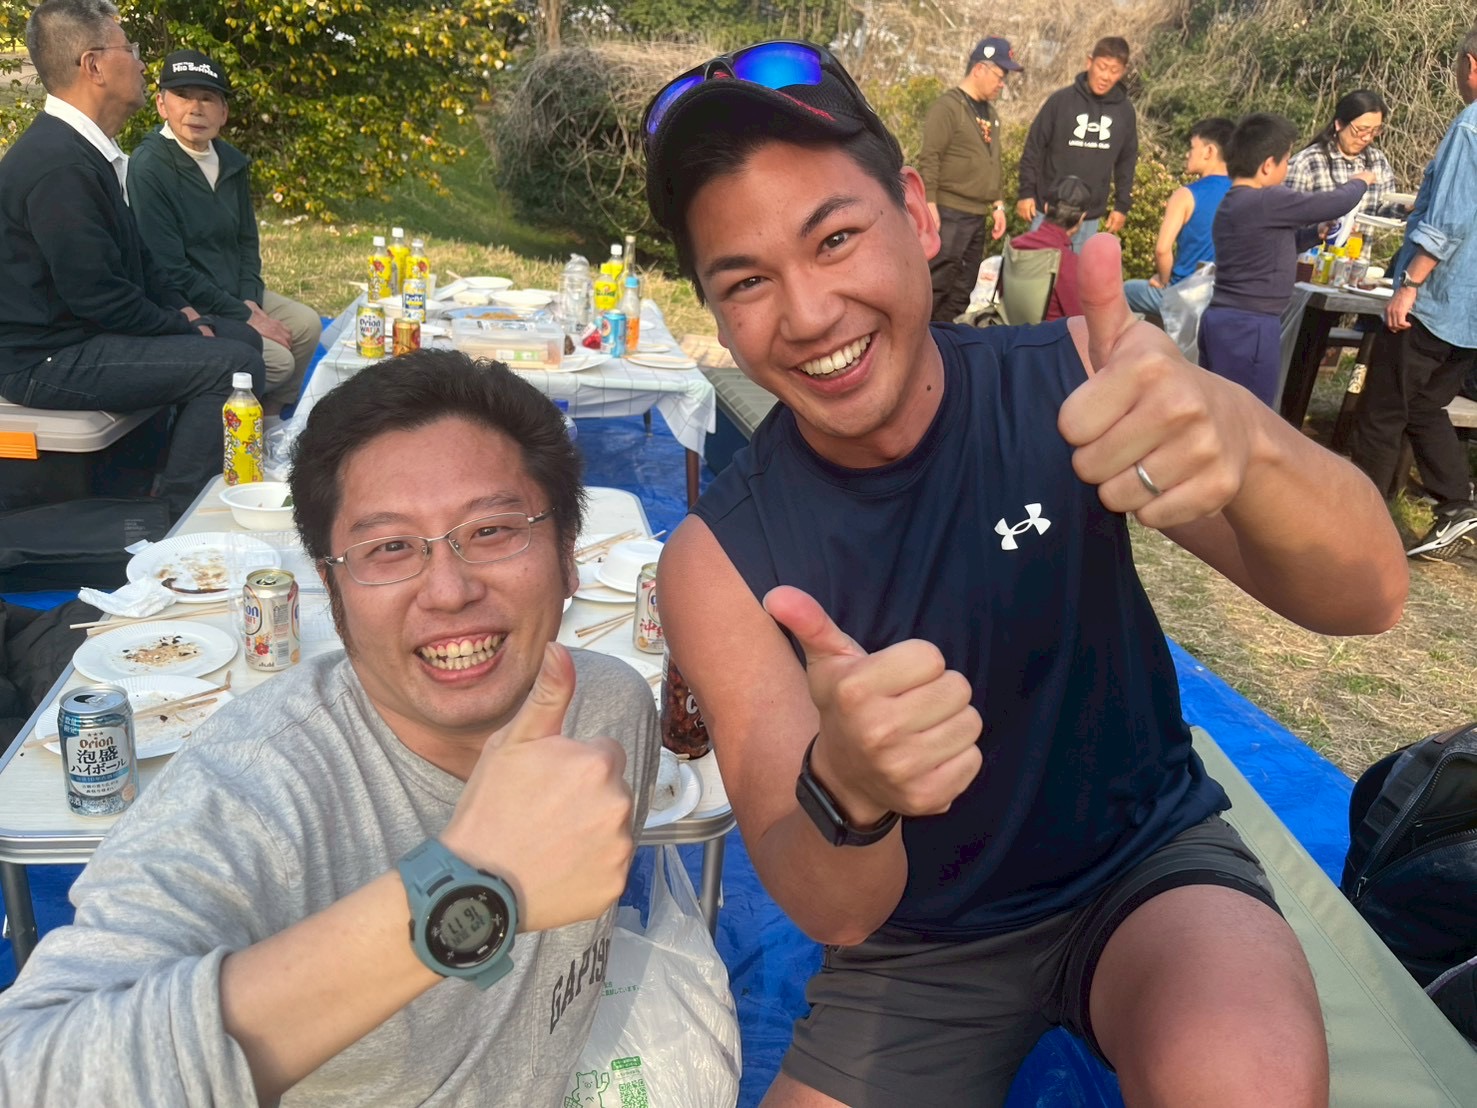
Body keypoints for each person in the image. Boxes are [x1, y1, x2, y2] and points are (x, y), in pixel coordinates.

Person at [642, 39, 1407, 1108]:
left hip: (1145, 868)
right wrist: (850, 790)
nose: (808, 313)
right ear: (718, 316)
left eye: (835, 238)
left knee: (1249, 1079)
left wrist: (1246, 437)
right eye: (747, 281)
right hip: (914, 949)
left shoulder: (1076, 381)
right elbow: (834, 908)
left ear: (917, 215)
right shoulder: (716, 559)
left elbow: (1367, 595)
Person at [0, 349, 660, 1104]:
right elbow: (31, 1071)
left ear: (568, 556)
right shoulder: (254, 794)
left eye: (491, 530)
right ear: (332, 590)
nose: (448, 590)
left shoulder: (609, 712)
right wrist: (469, 886)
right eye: (389, 548)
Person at [0, 0, 265, 518]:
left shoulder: (86, 150)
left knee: (242, 339)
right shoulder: (59, 166)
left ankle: (162, 478)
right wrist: (185, 328)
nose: (143, 65)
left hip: (83, 335)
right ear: (94, 65)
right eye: (131, 50)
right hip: (44, 358)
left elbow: (141, 261)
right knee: (232, 363)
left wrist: (185, 312)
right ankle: (176, 516)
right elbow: (99, 297)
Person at [129, 49, 322, 409]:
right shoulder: (150, 166)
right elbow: (170, 269)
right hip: (188, 304)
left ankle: (271, 419)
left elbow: (247, 242)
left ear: (224, 112)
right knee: (278, 362)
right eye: (182, 95)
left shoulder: (231, 161)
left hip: (236, 293)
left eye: (207, 98)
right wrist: (245, 316)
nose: (195, 108)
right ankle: (232, 423)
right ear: (161, 104)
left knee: (308, 325)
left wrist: (249, 298)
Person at [1352, 34, 1477, 561]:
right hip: (1470, 314)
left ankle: (1359, 529)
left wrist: (1410, 284)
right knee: (1424, 404)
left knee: (1381, 410)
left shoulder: (1470, 126)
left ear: (1470, 65)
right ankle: (1457, 504)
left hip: (1439, 299)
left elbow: (1450, 219)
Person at [1199, 112, 1373, 405]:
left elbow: (1275, 244)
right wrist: (1359, 182)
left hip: (1225, 320)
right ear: (1268, 165)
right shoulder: (1266, 199)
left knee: (1219, 408)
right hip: (1251, 326)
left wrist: (1314, 233)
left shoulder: (1234, 202)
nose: (1287, 169)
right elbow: (1333, 203)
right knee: (1250, 413)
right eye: (1286, 161)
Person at [917, 36, 1022, 322]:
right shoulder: (948, 107)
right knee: (937, 282)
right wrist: (929, 203)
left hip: (977, 215)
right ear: (979, 69)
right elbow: (930, 156)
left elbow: (993, 161)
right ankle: (920, 336)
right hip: (949, 211)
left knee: (964, 287)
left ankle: (945, 340)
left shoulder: (991, 114)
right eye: (1000, 75)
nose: (1002, 84)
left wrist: (998, 205)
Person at [1016, 36, 1138, 251]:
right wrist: (1026, 193)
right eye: (1102, 67)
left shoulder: (1125, 111)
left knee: (1077, 271)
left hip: (1088, 217)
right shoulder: (1060, 101)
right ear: (1089, 62)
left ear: (1123, 72)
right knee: (1037, 267)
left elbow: (1126, 162)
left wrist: (1121, 206)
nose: (1106, 76)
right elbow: (1034, 148)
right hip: (1048, 212)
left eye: (1114, 70)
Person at [1122, 117, 1234, 321]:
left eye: (1192, 147)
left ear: (1209, 151)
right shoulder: (1243, 193)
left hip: (1186, 294)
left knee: (1124, 291)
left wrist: (1163, 280)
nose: (1186, 154)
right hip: (1225, 296)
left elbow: (1162, 249)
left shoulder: (1186, 195)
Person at [1285, 90, 1404, 219]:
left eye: (1375, 130)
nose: (1367, 138)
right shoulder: (1306, 163)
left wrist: (1406, 207)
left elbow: (1384, 209)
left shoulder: (1377, 160)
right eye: (1362, 130)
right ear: (1339, 124)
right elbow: (1290, 216)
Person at [1001, 174, 1090, 322]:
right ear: (1081, 218)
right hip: (1049, 334)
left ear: (1047, 207)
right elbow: (1080, 319)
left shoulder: (1015, 245)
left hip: (1010, 331)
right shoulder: (1069, 263)